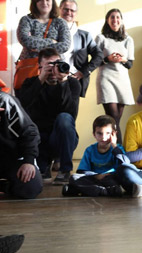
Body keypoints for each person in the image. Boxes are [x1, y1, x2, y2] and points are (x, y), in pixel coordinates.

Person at [17, 47, 80, 185]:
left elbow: (71, 114)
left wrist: (63, 82)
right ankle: (43, 165)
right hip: (39, 140)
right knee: (40, 176)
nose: (53, 69)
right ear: (40, 67)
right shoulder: (30, 83)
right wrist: (40, 80)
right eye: (49, 66)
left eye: (56, 64)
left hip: (62, 138)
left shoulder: (72, 83)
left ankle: (65, 170)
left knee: (64, 118)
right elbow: (23, 106)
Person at [15, 0, 71, 90]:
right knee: (28, 99)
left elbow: (65, 45)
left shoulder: (60, 22)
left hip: (55, 70)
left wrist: (35, 43)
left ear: (52, 2)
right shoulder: (26, 20)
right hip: (30, 67)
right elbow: (26, 40)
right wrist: (51, 41)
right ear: (35, 2)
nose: (44, 2)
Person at [95, 8, 135, 144]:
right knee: (113, 117)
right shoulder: (101, 38)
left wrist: (122, 60)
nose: (115, 20)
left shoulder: (128, 39)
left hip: (122, 80)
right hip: (106, 78)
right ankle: (119, 152)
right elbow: (95, 61)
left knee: (115, 120)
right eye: (112, 17)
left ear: (121, 20)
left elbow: (130, 64)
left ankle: (113, 151)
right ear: (107, 20)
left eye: (118, 17)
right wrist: (108, 59)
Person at [62, 115, 126, 197]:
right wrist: (97, 176)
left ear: (114, 134)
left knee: (114, 182)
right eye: (99, 133)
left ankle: (82, 190)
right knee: (73, 177)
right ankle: (103, 191)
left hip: (110, 178)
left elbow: (124, 165)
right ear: (94, 134)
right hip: (94, 178)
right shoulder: (90, 150)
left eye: (108, 133)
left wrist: (114, 145)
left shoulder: (118, 149)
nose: (103, 137)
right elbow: (82, 171)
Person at [0, 91, 42, 199]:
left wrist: (29, 161)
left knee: (31, 186)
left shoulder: (6, 101)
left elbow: (30, 132)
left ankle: (5, 187)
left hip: (11, 158)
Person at [59, 0, 104, 97]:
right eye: (65, 9)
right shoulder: (51, 32)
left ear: (76, 13)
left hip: (75, 80)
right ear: (59, 10)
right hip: (54, 79)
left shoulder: (85, 36)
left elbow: (99, 55)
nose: (69, 12)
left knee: (71, 111)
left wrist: (84, 72)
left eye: (72, 10)